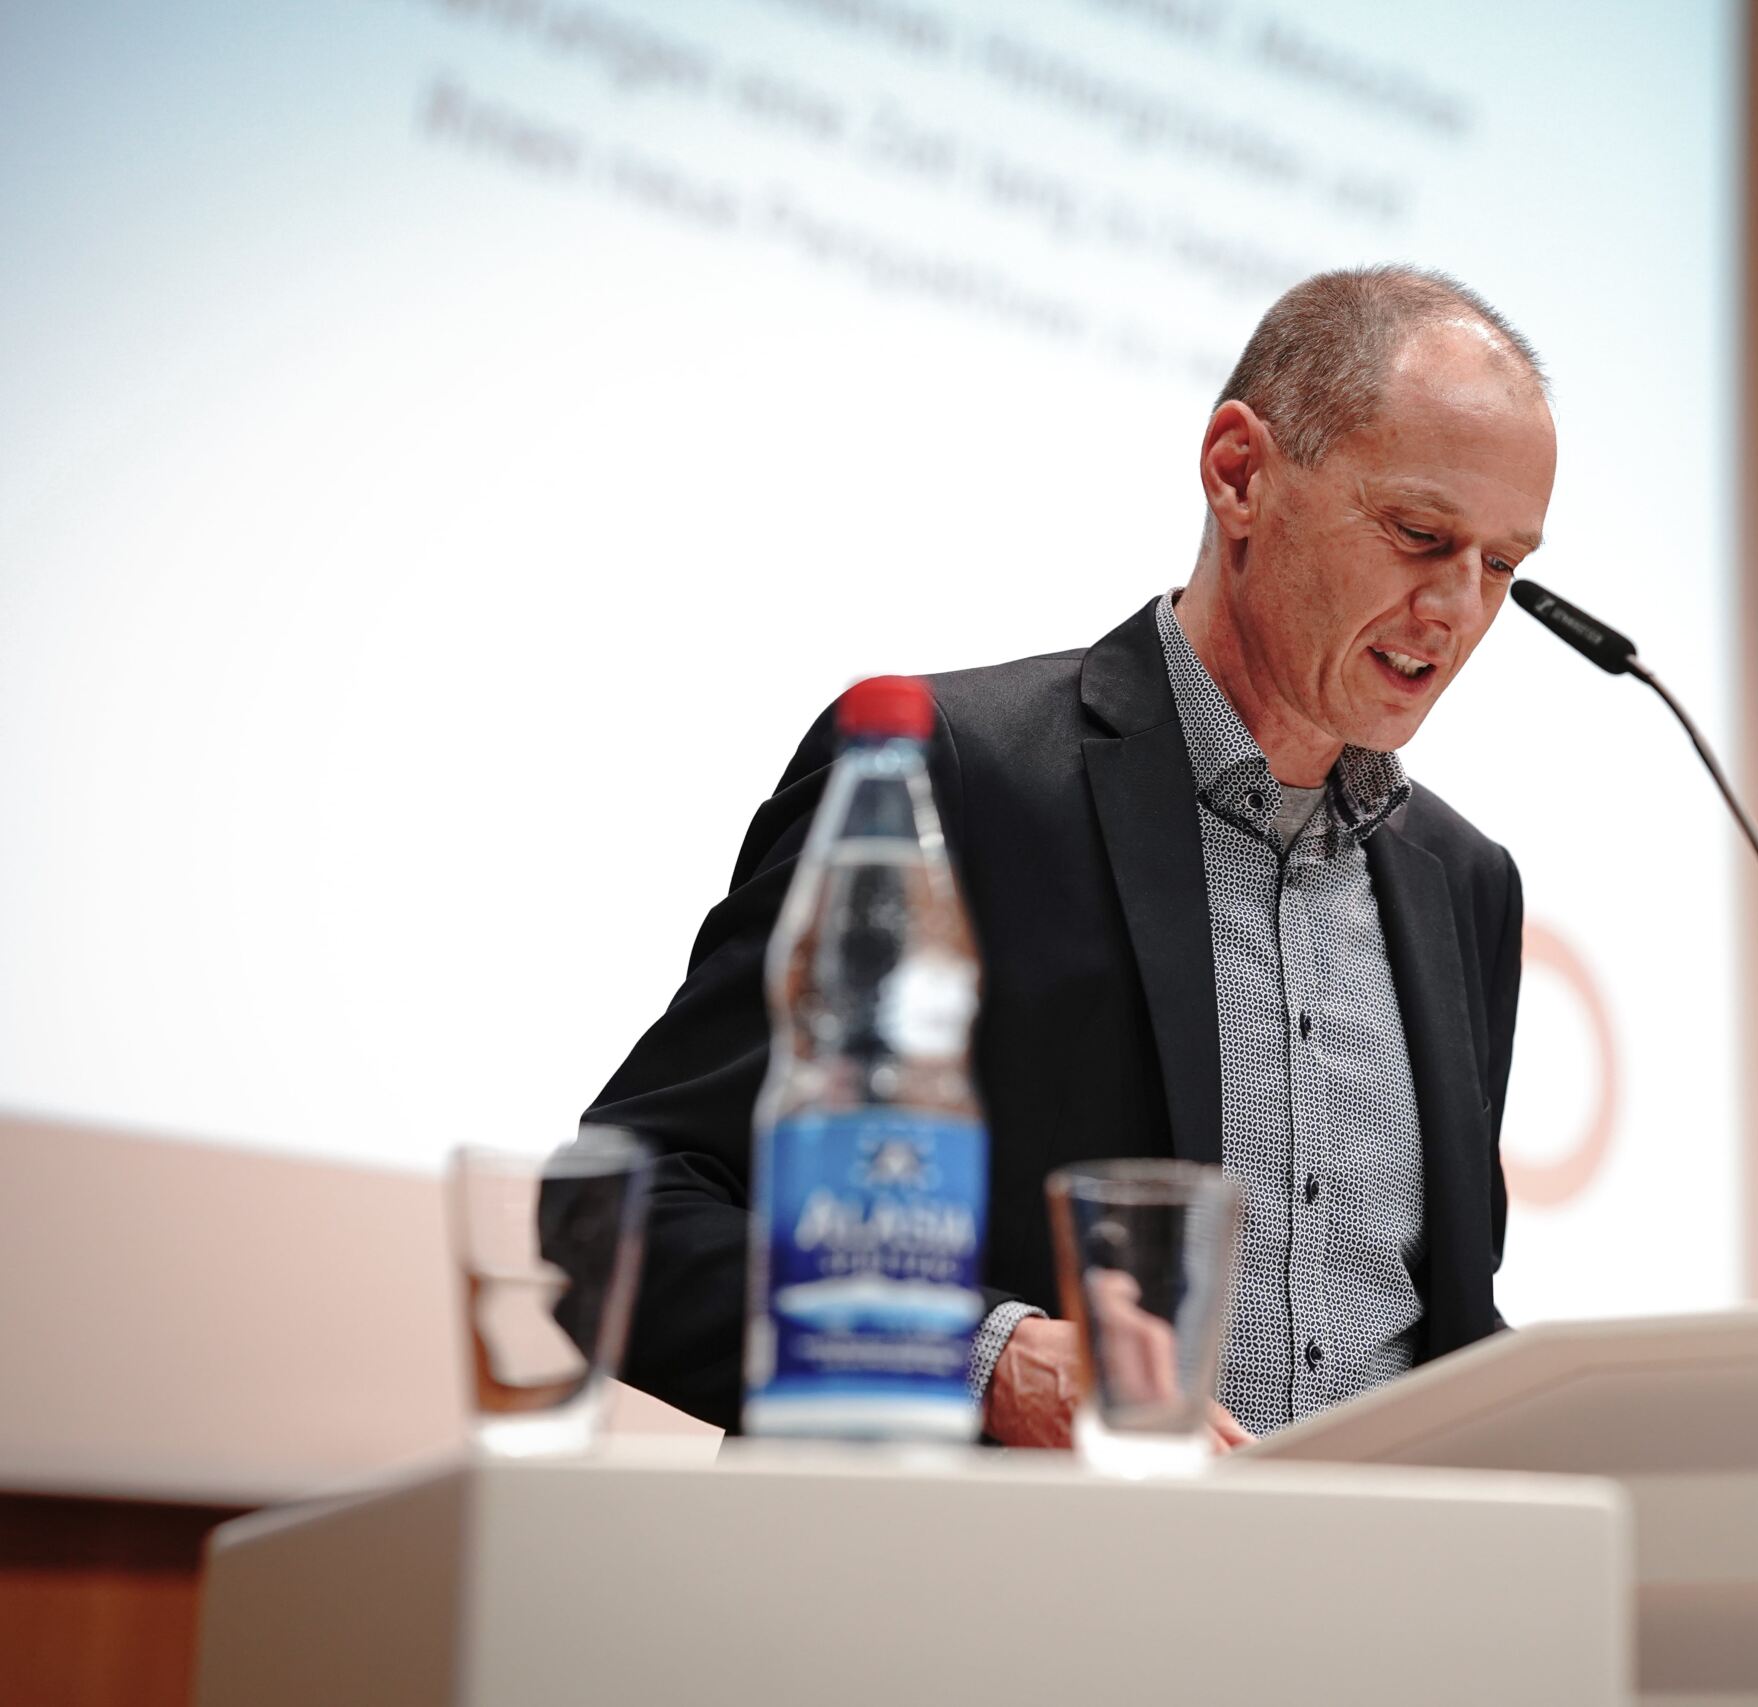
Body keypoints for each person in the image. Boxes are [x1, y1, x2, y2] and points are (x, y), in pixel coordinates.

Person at [588, 265, 1555, 1446]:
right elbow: (634, 1213)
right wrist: (985, 1367)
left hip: (1367, 1612)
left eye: (1502, 565)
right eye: (1418, 534)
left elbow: (1442, 1323)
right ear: (1240, 473)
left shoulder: (1464, 885)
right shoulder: (949, 777)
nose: (1457, 606)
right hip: (998, 1603)